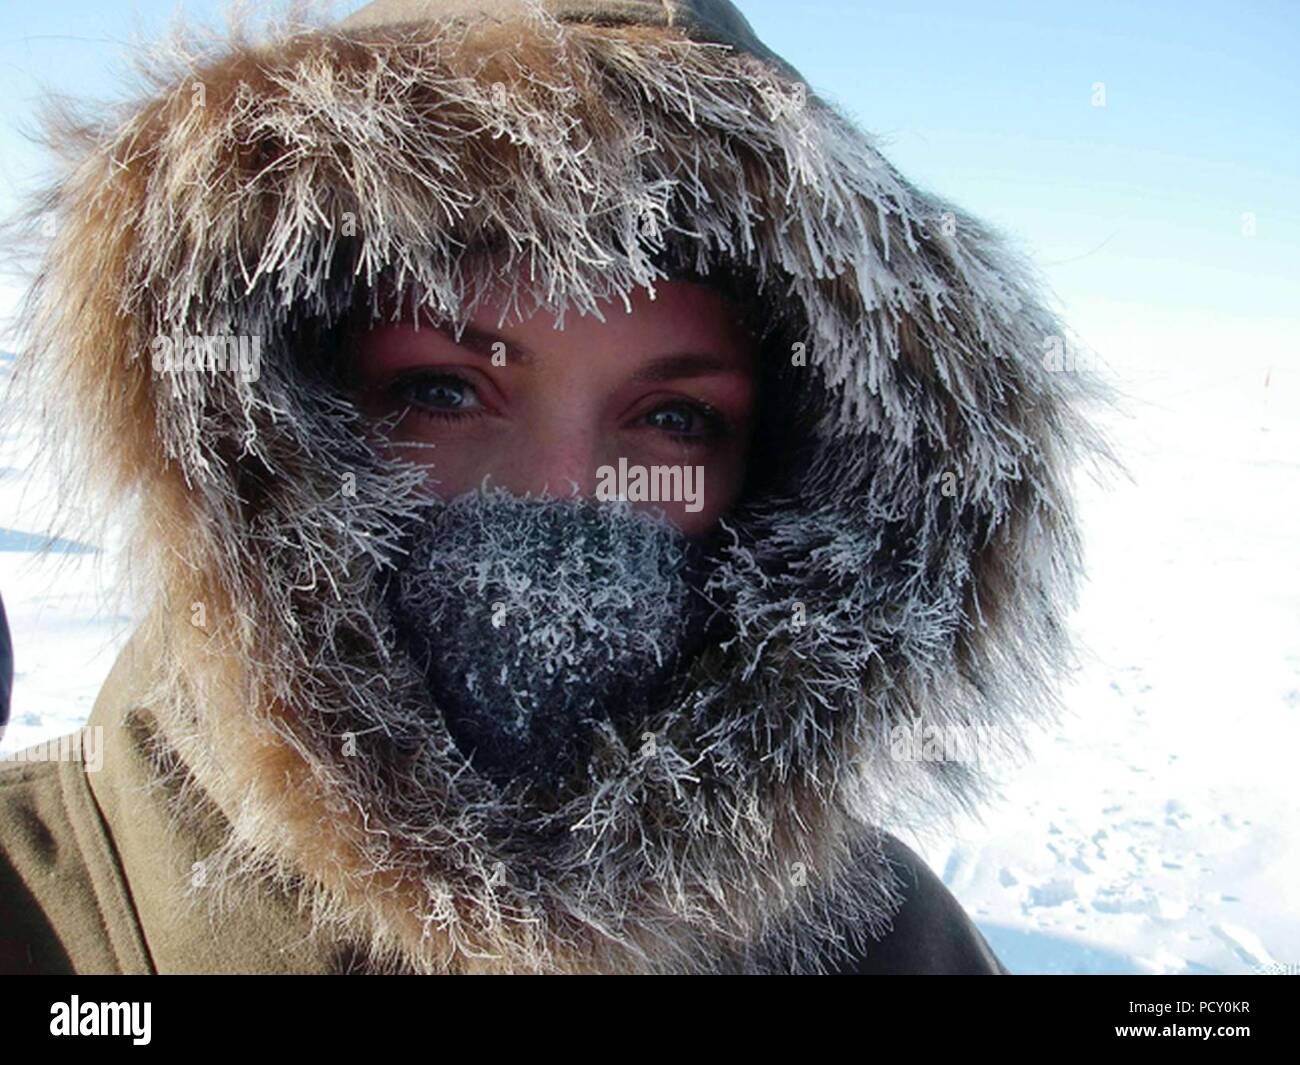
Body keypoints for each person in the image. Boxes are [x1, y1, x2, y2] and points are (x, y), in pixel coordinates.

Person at [0, 0, 1111, 974]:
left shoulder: (891, 948)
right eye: (442, 390)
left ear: (782, 483)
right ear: (271, 424)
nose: (559, 495)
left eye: (673, 419)